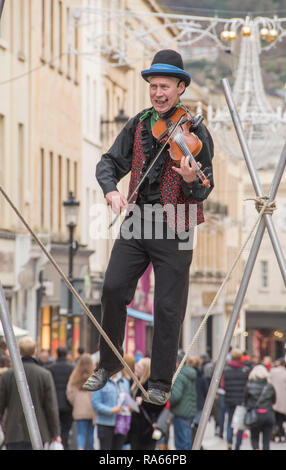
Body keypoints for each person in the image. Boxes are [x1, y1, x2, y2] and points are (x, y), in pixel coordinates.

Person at [83, 49, 214, 406]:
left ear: (180, 88)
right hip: (139, 218)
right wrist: (111, 190)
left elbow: (206, 186)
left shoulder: (196, 130)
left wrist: (191, 181)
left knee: (168, 306)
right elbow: (109, 161)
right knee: (112, 287)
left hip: (179, 222)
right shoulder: (138, 123)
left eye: (165, 87)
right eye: (153, 86)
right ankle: (109, 363)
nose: (158, 93)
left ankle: (159, 381)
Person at [0, 336, 61, 450]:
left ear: (19, 351)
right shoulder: (44, 375)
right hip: (39, 430)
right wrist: (55, 432)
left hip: (13, 432)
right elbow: (50, 406)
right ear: (35, 351)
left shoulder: (8, 375)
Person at [129, 357, 164, 450]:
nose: (136, 368)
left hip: (146, 426)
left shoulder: (150, 386)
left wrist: (143, 402)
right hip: (136, 425)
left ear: (145, 370)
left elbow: (158, 405)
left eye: (139, 367)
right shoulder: (135, 382)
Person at [92, 370, 131, 450]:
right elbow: (95, 403)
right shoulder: (100, 381)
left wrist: (128, 407)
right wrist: (111, 410)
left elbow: (127, 401)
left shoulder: (125, 382)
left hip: (121, 423)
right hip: (105, 424)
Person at [221, 348, 251, 450]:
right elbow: (248, 386)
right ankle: (238, 443)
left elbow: (223, 385)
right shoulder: (246, 370)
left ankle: (229, 441)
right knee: (240, 422)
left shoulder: (226, 369)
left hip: (229, 398)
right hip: (241, 399)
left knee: (230, 420)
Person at [46, 346, 74, 449]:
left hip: (54, 403)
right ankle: (64, 446)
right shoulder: (71, 368)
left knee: (54, 429)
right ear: (66, 355)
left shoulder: (50, 368)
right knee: (66, 431)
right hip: (67, 403)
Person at [66, 353, 96, 450]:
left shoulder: (74, 376)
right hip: (92, 410)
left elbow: (69, 393)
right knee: (91, 435)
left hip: (79, 410)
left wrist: (75, 403)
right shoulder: (95, 376)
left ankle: (80, 448)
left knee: (81, 434)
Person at [244, 364, 276, 450]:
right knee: (266, 441)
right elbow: (274, 401)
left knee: (254, 437)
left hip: (254, 414)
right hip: (267, 413)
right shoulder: (269, 386)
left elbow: (245, 401)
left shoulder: (249, 385)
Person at [169, 351, 197, 450]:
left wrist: (167, 402)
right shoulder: (189, 373)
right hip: (189, 411)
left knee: (182, 443)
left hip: (180, 412)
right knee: (187, 439)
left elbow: (176, 396)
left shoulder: (178, 375)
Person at [269, 358, 286, 442]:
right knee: (281, 418)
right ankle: (280, 434)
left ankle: (275, 433)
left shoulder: (272, 371)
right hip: (283, 399)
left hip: (272, 398)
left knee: (274, 418)